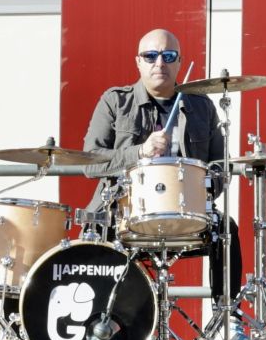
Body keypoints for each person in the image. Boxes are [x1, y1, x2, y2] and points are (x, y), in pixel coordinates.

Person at [81, 27, 239, 297]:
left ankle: (228, 316)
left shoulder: (202, 106)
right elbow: (90, 163)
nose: (159, 63)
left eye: (168, 55)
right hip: (123, 213)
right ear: (138, 61)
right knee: (95, 230)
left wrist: (201, 192)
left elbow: (220, 167)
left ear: (179, 61)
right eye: (151, 55)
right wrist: (140, 151)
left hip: (184, 213)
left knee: (226, 228)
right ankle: (106, 319)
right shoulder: (116, 101)